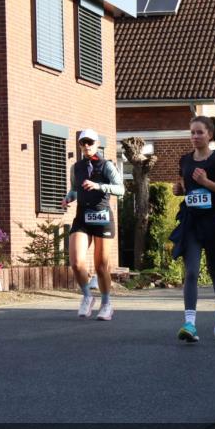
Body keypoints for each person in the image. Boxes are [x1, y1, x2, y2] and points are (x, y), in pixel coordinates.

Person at [170, 116, 215, 342]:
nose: (195, 136)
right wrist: (179, 190)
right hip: (191, 221)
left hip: (213, 221)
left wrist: (207, 182)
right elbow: (184, 185)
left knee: (214, 269)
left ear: (210, 134)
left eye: (200, 132)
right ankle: (189, 323)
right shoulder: (185, 160)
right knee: (191, 271)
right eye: (192, 132)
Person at [63, 130, 124, 320]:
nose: (86, 146)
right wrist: (68, 198)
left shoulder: (106, 165)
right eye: (83, 143)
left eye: (90, 142)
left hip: (102, 217)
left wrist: (99, 186)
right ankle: (87, 296)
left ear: (97, 144)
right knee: (76, 263)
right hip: (82, 217)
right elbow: (75, 190)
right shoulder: (76, 167)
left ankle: (106, 304)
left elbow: (121, 189)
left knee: (101, 266)